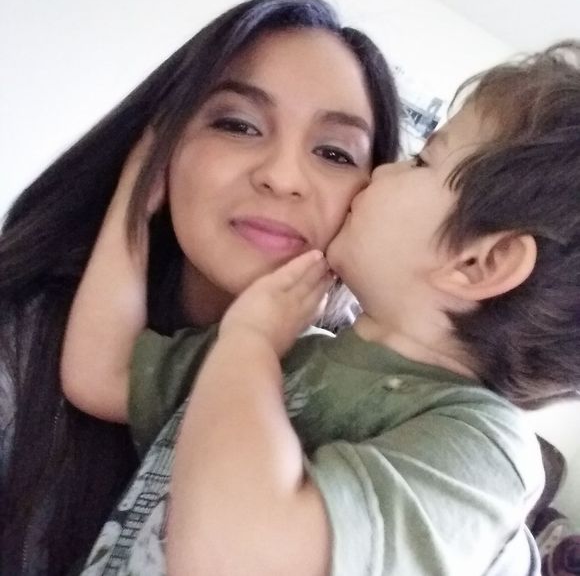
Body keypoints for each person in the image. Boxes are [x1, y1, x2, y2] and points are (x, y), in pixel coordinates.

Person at [66, 41, 580, 574]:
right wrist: (133, 200)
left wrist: (248, 343)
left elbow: (237, 557)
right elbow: (101, 372)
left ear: (480, 263)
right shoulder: (296, 352)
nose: (380, 172)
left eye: (422, 161)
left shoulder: (484, 449)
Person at [0, 0, 401, 573]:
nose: (283, 177)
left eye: (335, 153)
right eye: (238, 125)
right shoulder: (24, 339)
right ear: (161, 149)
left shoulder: (382, 406)